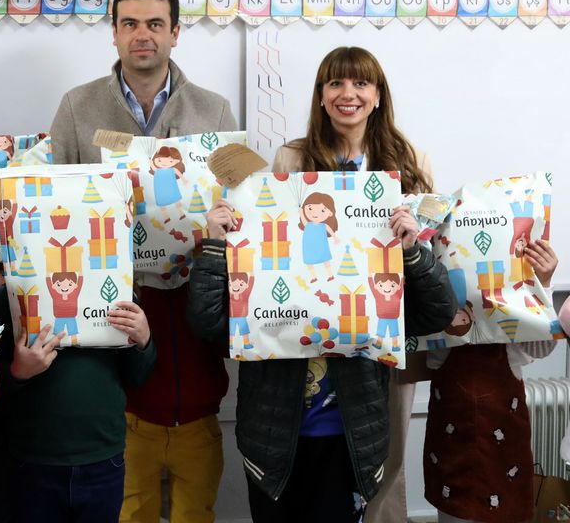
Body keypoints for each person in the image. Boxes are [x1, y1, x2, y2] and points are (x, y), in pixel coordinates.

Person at [188, 46, 457, 522]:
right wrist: (222, 240)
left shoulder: (409, 162)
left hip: (371, 358)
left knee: (369, 478)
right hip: (288, 363)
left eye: (361, 83)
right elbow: (267, 251)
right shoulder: (291, 158)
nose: (347, 94)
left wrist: (411, 245)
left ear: (378, 95)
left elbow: (430, 285)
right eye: (335, 83)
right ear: (320, 94)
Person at [50, 0, 235, 523]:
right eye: (129, 23)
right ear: (114, 32)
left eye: (155, 24)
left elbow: (239, 205)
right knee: (126, 486)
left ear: (176, 33)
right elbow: (54, 200)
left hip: (192, 304)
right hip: (116, 303)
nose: (142, 35)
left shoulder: (214, 111)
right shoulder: (78, 107)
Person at [424, 240, 558, 523]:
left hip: (504, 446)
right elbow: (432, 354)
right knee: (453, 510)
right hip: (452, 443)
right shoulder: (447, 310)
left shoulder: (510, 317)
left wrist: (541, 285)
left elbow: (542, 346)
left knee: (506, 507)